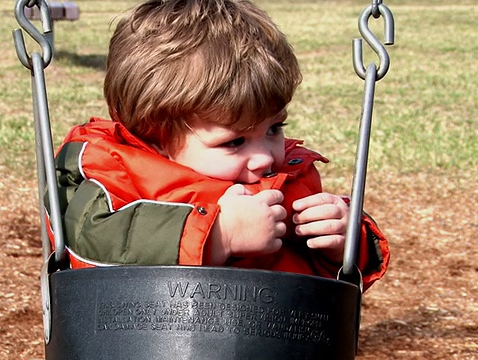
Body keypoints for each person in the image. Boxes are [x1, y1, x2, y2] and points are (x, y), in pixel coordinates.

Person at [47, 0, 389, 291]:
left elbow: (329, 287)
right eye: (235, 141)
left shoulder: (290, 180)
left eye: (275, 128)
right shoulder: (115, 171)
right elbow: (89, 242)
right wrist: (218, 237)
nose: (264, 157)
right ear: (157, 136)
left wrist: (345, 243)